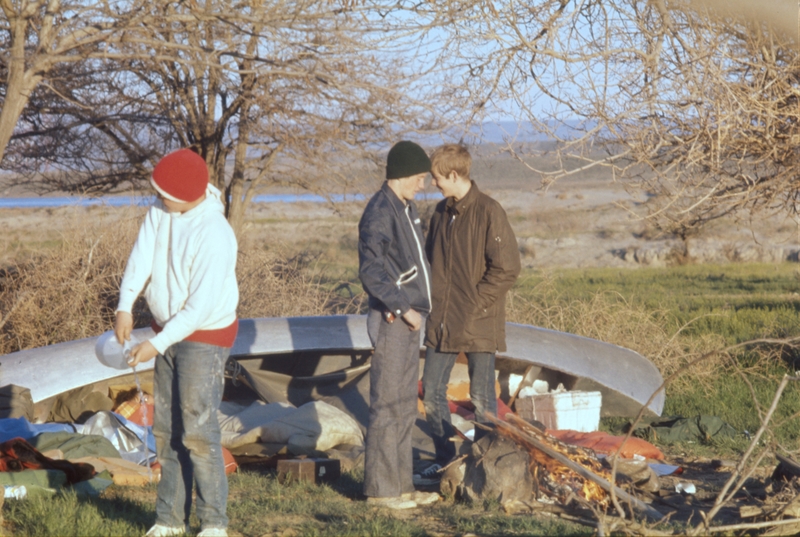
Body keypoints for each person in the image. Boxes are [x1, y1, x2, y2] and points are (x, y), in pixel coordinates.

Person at [114, 148, 239, 537]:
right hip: (165, 328)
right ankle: (169, 520)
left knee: (199, 431)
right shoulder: (161, 209)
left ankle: (214, 522)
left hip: (206, 335)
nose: (157, 196)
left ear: (187, 194)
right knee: (166, 431)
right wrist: (125, 305)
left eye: (164, 191)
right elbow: (142, 256)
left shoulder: (216, 233)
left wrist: (156, 344)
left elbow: (200, 308)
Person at [417, 143, 521, 485]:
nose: (433, 184)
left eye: (436, 178)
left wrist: (474, 306)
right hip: (442, 322)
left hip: (478, 322)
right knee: (431, 392)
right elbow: (429, 264)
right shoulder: (439, 213)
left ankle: (483, 466)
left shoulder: (490, 211)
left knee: (481, 400)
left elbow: (506, 269)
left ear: (453, 175)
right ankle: (447, 460)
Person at [357, 141, 440, 510]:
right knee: (388, 404)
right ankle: (381, 492)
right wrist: (403, 308)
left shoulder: (405, 208)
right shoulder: (379, 212)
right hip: (395, 320)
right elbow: (371, 272)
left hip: (409, 321)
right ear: (402, 175)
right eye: (419, 177)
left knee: (405, 404)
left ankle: (401, 485)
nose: (422, 184)